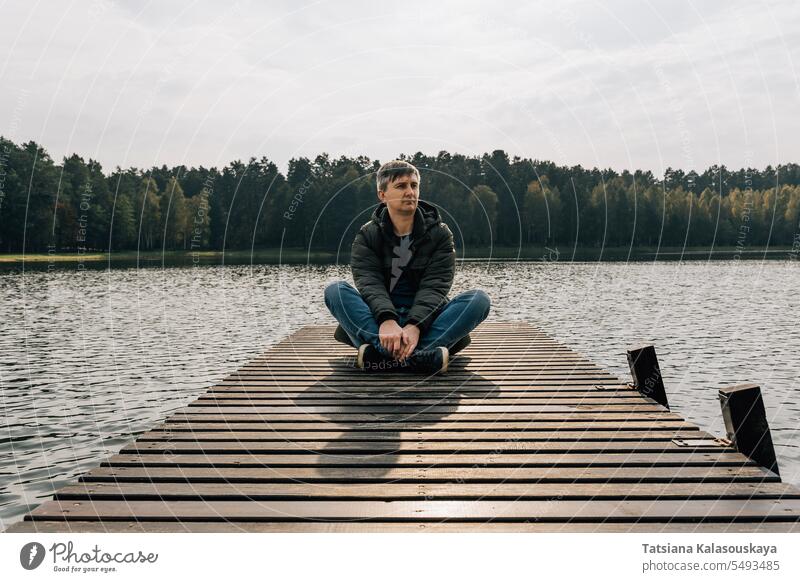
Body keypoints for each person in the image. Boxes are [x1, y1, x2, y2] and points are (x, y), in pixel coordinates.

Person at [324, 160, 491, 374]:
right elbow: (369, 284)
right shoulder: (367, 235)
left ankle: (380, 356)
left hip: (427, 320)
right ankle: (423, 356)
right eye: (401, 186)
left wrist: (415, 325)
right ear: (382, 195)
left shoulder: (440, 234)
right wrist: (387, 320)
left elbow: (436, 286)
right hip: (381, 320)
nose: (410, 191)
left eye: (414, 185)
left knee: (479, 299)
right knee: (335, 291)